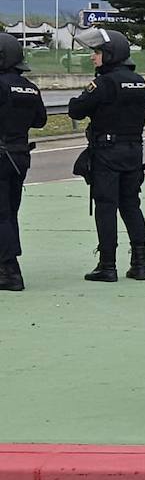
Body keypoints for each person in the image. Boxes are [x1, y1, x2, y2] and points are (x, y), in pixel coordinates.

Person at [68, 28, 145, 283]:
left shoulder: (104, 83)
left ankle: (107, 265)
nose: (94, 57)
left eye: (97, 52)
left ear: (110, 54)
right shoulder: (140, 82)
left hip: (107, 152)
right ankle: (140, 263)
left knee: (106, 207)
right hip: (134, 152)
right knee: (131, 205)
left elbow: (76, 110)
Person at [0, 33, 47, 291]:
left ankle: (10, 271)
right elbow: (40, 120)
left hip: (2, 153)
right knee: (10, 213)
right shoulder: (29, 86)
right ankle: (6, 265)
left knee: (1, 215)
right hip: (20, 155)